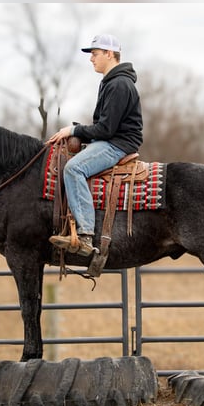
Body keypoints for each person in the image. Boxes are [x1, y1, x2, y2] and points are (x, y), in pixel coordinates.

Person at [47, 34, 143, 257]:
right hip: (111, 139)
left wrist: (73, 131)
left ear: (110, 54)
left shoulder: (119, 84)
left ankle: (85, 235)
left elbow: (106, 129)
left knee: (74, 168)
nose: (91, 59)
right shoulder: (111, 81)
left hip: (117, 144)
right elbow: (103, 126)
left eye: (95, 54)